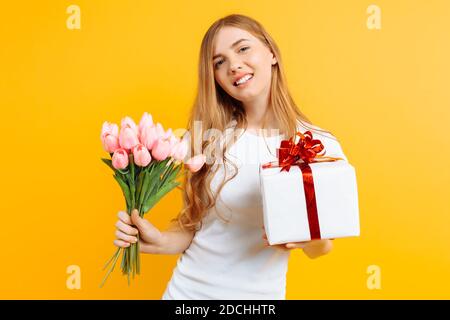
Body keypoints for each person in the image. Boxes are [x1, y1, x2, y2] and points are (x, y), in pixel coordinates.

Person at [113, 14, 349, 299]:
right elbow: (192, 228)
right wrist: (158, 239)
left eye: (243, 49)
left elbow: (322, 247)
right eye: (219, 62)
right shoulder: (206, 137)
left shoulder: (317, 145)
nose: (233, 65)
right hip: (186, 296)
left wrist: (307, 239)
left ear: (272, 53)